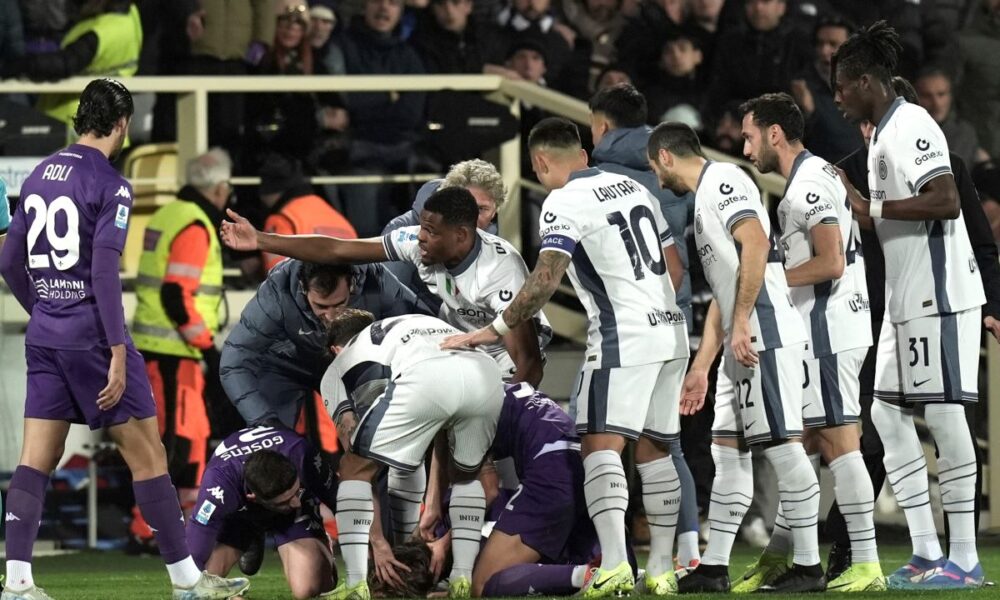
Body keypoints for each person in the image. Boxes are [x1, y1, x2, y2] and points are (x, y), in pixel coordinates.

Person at [0, 78, 248, 600]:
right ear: (122, 125)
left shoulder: (42, 173)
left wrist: (42, 311)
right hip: (94, 338)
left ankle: (17, 583)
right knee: (149, 456)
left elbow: (7, 260)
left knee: (35, 459)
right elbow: (103, 273)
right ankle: (186, 582)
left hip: (45, 337)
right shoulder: (111, 184)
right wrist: (116, 348)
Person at [443, 117, 690, 597]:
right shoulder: (633, 187)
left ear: (539, 161)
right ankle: (662, 570)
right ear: (581, 153)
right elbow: (673, 268)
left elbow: (544, 279)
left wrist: (493, 330)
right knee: (655, 450)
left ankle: (615, 566)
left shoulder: (562, 201)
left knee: (599, 447)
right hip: (670, 329)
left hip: (623, 337)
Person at [831, 21, 986, 588]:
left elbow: (945, 200)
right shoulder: (881, 137)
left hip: (938, 295)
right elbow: (891, 217)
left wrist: (871, 208)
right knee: (885, 415)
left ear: (864, 82)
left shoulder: (912, 124)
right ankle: (925, 550)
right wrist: (855, 202)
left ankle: (964, 559)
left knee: (943, 415)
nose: (836, 99)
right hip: (904, 300)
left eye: (840, 87)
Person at [646, 122, 823, 593]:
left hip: (763, 332)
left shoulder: (723, 180)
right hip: (739, 338)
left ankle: (809, 566)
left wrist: (742, 321)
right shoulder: (704, 199)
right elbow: (725, 291)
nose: (656, 176)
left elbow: (757, 243)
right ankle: (715, 567)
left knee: (783, 449)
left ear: (665, 156)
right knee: (727, 452)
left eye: (653, 166)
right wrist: (702, 366)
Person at [738, 93, 884, 592]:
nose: (746, 147)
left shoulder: (805, 188)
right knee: (801, 443)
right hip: (829, 324)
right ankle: (784, 556)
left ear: (774, 133)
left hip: (828, 325)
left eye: (750, 136)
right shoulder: (816, 173)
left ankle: (865, 563)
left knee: (840, 442)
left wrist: (767, 279)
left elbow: (831, 262)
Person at [220, 186, 549, 385]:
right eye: (422, 227)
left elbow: (529, 363)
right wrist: (260, 240)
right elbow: (336, 250)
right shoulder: (418, 243)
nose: (421, 237)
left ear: (461, 235)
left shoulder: (500, 272)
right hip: (458, 347)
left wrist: (505, 417)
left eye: (431, 231)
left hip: (503, 356)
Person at [587, 83, 702, 573]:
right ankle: (688, 553)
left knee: (603, 439)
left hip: (626, 321)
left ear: (601, 125)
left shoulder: (597, 176)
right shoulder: (670, 158)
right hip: (676, 314)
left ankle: (612, 559)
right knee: (666, 442)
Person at [318, 309, 504, 599]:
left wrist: (378, 542)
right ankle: (462, 579)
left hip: (425, 375)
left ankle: (356, 584)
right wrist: (433, 503)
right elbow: (442, 424)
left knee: (354, 467)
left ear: (335, 350)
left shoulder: (342, 364)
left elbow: (357, 462)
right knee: (466, 477)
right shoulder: (406, 325)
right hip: (485, 372)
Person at [379, 382, 601, 597]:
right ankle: (602, 566)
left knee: (482, 583)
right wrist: (433, 503)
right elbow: (443, 436)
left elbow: (488, 490)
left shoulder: (463, 414)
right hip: (577, 458)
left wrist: (444, 544)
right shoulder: (467, 391)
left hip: (552, 471)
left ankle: (587, 575)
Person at [129, 148, 232, 550]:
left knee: (181, 437)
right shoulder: (195, 224)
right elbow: (176, 294)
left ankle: (173, 527)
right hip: (176, 352)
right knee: (177, 440)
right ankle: (152, 529)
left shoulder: (167, 215)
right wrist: (206, 347)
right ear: (220, 188)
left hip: (160, 350)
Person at [185, 428, 340, 600]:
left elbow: (342, 501)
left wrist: (364, 557)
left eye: (296, 492)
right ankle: (252, 530)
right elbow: (190, 570)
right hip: (239, 514)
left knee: (309, 589)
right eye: (285, 501)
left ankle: (318, 544)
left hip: (287, 513)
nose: (295, 502)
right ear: (253, 497)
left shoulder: (300, 453)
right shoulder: (218, 487)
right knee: (205, 580)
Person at [258, 154, 357, 274]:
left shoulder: (282, 219)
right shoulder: (336, 217)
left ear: (268, 191)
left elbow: (278, 274)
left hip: (310, 283)